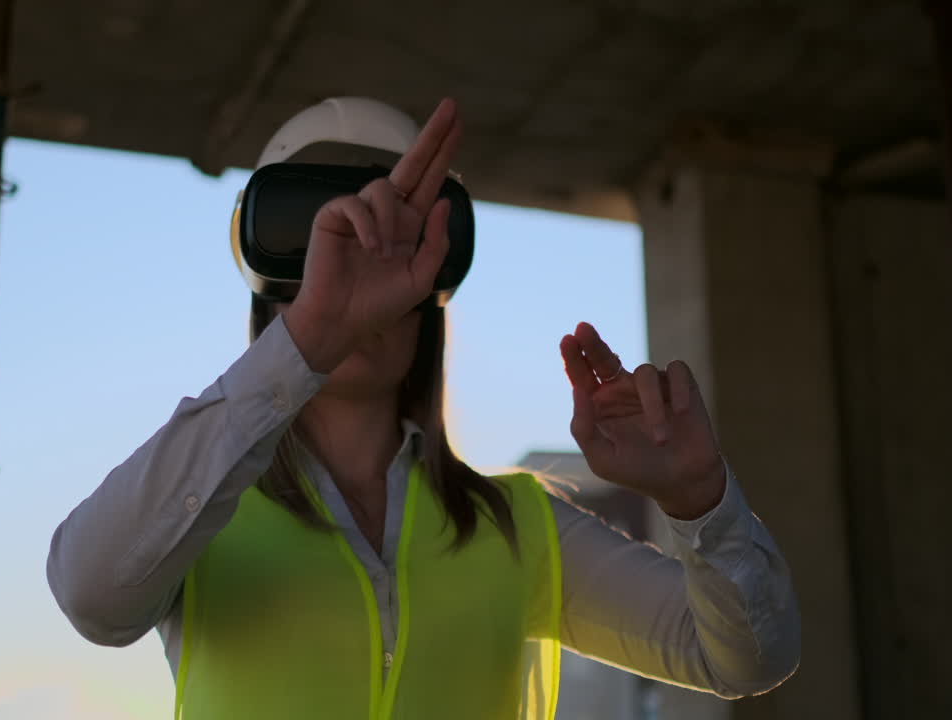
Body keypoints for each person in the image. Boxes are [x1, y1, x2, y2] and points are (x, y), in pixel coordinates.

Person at [47, 97, 800, 719]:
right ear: (275, 292)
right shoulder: (198, 509)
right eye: (323, 252)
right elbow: (90, 594)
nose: (358, 279)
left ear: (431, 296)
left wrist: (702, 503)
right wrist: (310, 337)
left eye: (394, 249)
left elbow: (744, 658)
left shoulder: (523, 528)